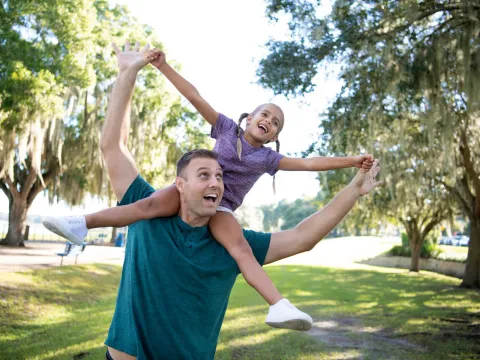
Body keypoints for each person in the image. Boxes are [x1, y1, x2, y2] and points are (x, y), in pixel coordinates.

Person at [80, 41, 380, 360]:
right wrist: (129, 73)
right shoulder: (144, 208)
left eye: (220, 176)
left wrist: (354, 186)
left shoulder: (232, 244)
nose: (216, 180)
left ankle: (278, 304)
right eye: (204, 174)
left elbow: (303, 235)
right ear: (179, 183)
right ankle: (80, 223)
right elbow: (114, 145)